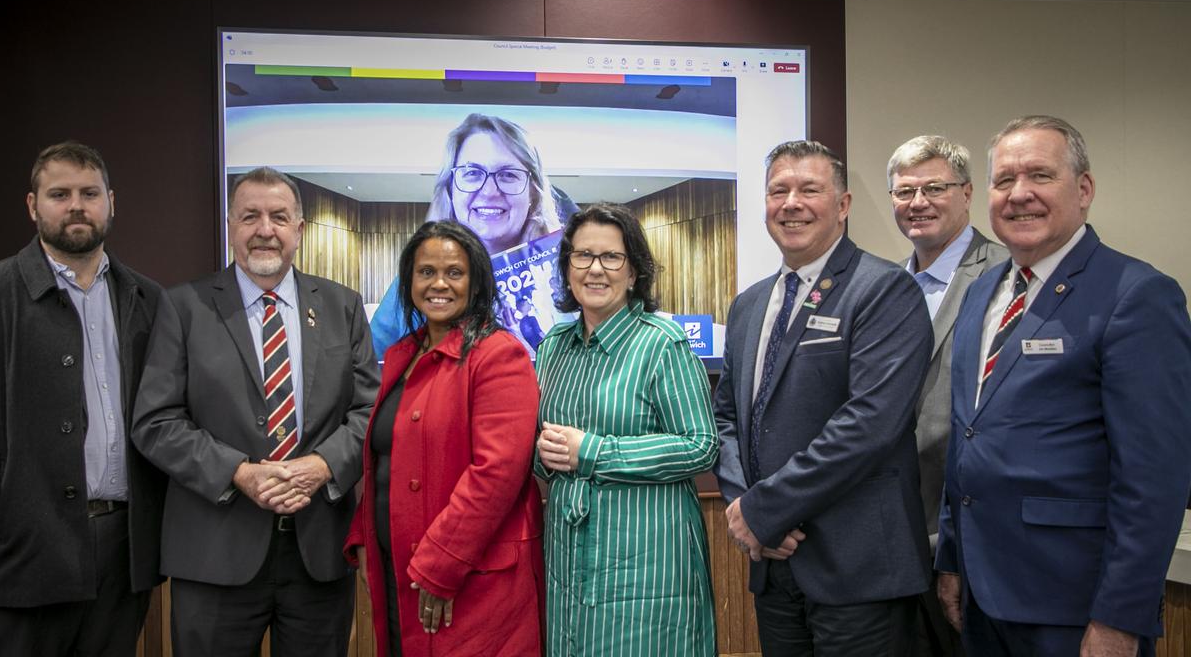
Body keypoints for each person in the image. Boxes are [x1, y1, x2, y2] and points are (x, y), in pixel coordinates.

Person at [935, 115, 1191, 656]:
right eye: (1004, 180)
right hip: (983, 593)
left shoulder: (1136, 295)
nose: (1019, 194)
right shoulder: (982, 294)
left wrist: (1121, 618)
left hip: (1074, 607)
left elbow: (1154, 479)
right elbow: (967, 437)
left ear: (1085, 188)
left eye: (1039, 176)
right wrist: (952, 561)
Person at [0, 141, 165, 656]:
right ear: (33, 205)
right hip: (19, 549)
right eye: (60, 193)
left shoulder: (147, 298)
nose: (76, 205)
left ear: (111, 202)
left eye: (89, 193)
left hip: (122, 554)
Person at [131, 166, 379, 655]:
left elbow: (369, 411)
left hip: (319, 555)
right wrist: (238, 473)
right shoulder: (183, 306)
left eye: (279, 217)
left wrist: (323, 466)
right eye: (250, 216)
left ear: (299, 231)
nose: (265, 229)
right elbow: (155, 421)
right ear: (230, 227)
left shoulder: (342, 306)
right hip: (213, 555)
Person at [713, 140, 933, 656]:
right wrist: (744, 508)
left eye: (809, 189)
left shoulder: (884, 290)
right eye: (778, 191)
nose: (791, 203)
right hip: (773, 563)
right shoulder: (748, 305)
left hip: (858, 569)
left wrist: (766, 510)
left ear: (843, 204)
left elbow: (870, 424)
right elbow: (728, 419)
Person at [344, 220, 545, 657]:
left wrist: (440, 567)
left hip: (469, 578)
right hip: (398, 568)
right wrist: (363, 535)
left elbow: (497, 475)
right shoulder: (403, 353)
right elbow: (384, 457)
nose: (439, 284)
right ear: (409, 280)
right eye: (425, 271)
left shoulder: (500, 355)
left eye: (454, 272)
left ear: (475, 284)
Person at [535, 202, 718, 656]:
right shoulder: (554, 347)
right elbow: (541, 442)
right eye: (582, 256)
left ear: (634, 271)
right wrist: (543, 454)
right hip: (568, 551)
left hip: (647, 557)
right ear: (567, 267)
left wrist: (593, 451)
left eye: (611, 257)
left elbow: (700, 446)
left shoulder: (662, 343)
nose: (595, 270)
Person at [887, 135, 1007, 656]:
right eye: (905, 191)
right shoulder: (888, 286)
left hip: (977, 542)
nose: (918, 203)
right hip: (895, 538)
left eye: (934, 187)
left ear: (967, 193)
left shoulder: (1007, 276)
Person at [370, 113, 569, 356]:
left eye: (508, 175)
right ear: (451, 189)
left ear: (533, 193)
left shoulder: (569, 276)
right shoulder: (414, 281)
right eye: (472, 173)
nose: (489, 191)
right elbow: (372, 371)